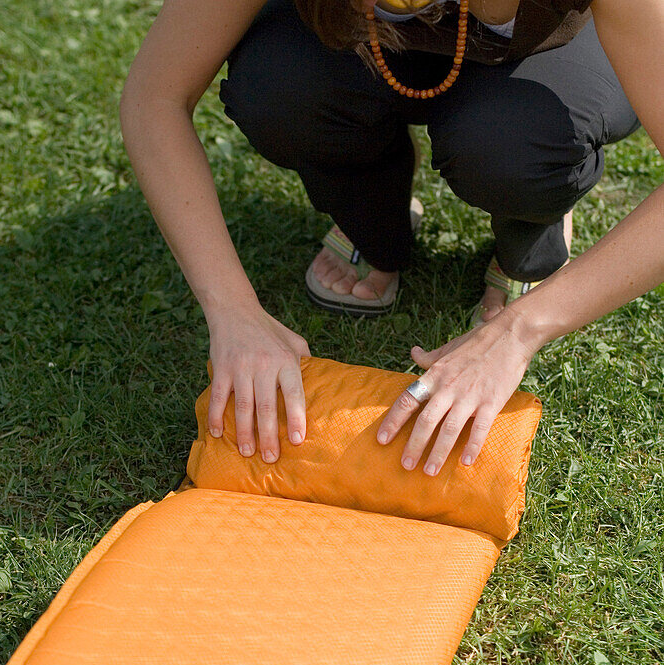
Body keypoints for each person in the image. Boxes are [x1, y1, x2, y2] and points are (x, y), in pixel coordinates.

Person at [119, 0, 663, 478]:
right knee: (279, 87)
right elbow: (156, 97)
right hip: (366, 53)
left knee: (509, 145)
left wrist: (521, 332)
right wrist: (232, 311)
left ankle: (531, 231)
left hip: (549, 59)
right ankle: (371, 213)